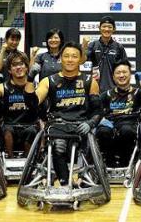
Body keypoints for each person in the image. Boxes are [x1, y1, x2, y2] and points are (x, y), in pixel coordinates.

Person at [35, 42, 102, 186]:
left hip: (80, 124)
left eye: (74, 56)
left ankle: (80, 178)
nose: (70, 60)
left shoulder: (90, 82)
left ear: (80, 59)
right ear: (61, 59)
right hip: (57, 124)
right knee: (58, 145)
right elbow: (34, 102)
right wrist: (29, 80)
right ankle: (65, 183)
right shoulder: (48, 81)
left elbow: (98, 111)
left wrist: (90, 124)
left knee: (81, 145)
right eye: (66, 56)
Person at [96, 59, 141, 167]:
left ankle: (125, 164)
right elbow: (95, 111)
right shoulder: (106, 95)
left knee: (126, 130)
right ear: (113, 77)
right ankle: (109, 164)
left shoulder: (137, 92)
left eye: (124, 72)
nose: (121, 75)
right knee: (103, 131)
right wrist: (101, 120)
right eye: (118, 73)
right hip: (111, 125)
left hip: (130, 125)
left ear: (130, 74)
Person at [0, 51, 39, 158]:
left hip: (29, 127)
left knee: (31, 131)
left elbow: (38, 105)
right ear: (9, 70)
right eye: (14, 65)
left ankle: (28, 161)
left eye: (21, 64)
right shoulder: (3, 87)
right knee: (8, 130)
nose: (18, 67)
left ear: (27, 67)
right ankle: (11, 159)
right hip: (9, 127)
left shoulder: (35, 86)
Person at [84, 16, 128, 92]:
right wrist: (83, 47)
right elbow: (82, 60)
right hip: (95, 89)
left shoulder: (118, 47)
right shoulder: (93, 45)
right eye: (104, 26)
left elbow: (125, 69)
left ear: (114, 29)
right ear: (99, 28)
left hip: (114, 90)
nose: (106, 29)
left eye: (110, 27)